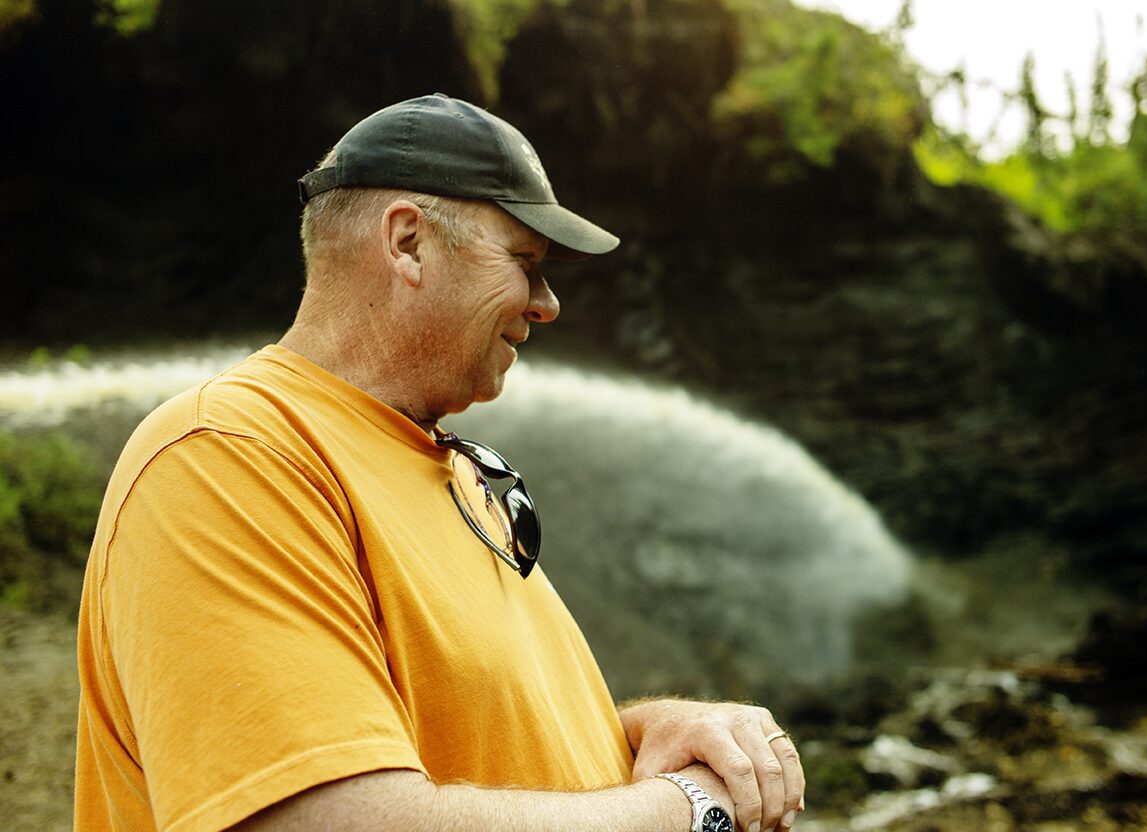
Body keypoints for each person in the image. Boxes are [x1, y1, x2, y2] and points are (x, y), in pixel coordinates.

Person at [75, 94, 805, 832]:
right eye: (525, 262)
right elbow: (327, 819)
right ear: (407, 243)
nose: (546, 303)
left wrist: (643, 733)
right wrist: (687, 809)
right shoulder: (228, 456)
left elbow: (473, 743)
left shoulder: (454, 472)